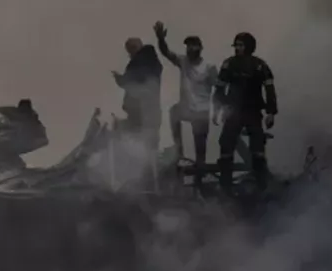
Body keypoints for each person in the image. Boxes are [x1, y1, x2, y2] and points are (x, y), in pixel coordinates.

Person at [214, 32, 278, 191]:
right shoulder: (229, 64)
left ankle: (261, 184)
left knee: (257, 147)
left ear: (249, 47)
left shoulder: (260, 65)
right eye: (236, 45)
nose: (237, 48)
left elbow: (270, 90)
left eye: (241, 45)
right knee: (226, 143)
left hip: (253, 111)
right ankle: (226, 185)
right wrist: (218, 109)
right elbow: (219, 89)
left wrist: (271, 113)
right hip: (233, 110)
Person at [154, 22, 218, 173]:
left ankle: (200, 173)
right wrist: (161, 39)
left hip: (201, 111)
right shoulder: (183, 61)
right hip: (186, 108)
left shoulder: (209, 67)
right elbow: (166, 53)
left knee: (200, 149)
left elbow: (218, 88)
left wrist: (216, 110)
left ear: (200, 48)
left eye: (193, 46)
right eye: (187, 46)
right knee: (174, 112)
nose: (189, 49)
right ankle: (180, 152)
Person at [113, 37, 163, 157]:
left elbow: (131, 81)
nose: (130, 53)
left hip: (143, 110)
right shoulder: (151, 61)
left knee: (142, 141)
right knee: (147, 143)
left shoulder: (140, 61)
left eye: (131, 49)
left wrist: (120, 79)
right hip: (148, 110)